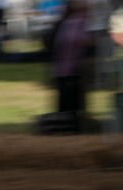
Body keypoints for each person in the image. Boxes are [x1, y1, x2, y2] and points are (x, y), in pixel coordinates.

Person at [50, 0, 93, 132]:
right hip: (71, 69)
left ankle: (65, 130)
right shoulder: (78, 21)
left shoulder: (67, 21)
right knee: (71, 106)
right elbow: (76, 39)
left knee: (65, 105)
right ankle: (68, 131)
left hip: (63, 68)